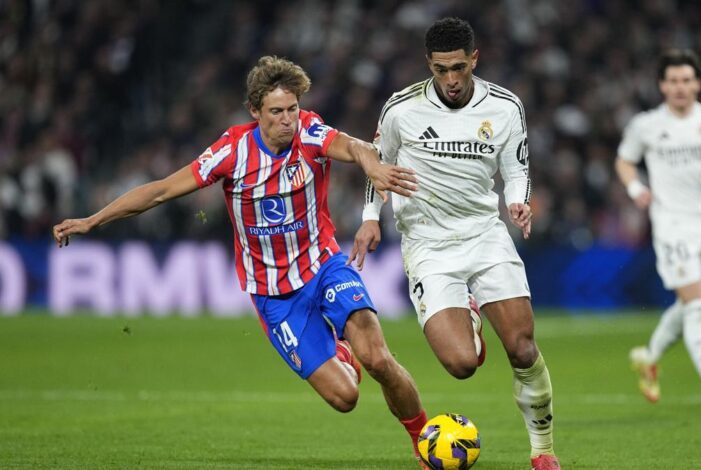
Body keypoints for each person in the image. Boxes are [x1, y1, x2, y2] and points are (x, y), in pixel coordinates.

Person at [52, 55, 432, 466]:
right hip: (274, 296)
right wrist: (93, 220)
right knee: (346, 398)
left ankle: (424, 439)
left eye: (292, 109)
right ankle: (338, 352)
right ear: (255, 111)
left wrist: (372, 165)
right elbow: (161, 191)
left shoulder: (309, 131)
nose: (288, 120)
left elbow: (354, 146)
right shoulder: (231, 151)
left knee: (376, 357)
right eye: (276, 112)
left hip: (324, 266)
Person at [349, 18, 561, 470]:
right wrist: (370, 219)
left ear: (474, 60)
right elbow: (377, 166)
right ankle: (469, 314)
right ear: (429, 63)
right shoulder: (401, 108)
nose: (450, 79)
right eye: (441, 69)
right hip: (428, 242)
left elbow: (517, 168)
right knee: (462, 364)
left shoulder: (505, 106)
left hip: (484, 233)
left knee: (523, 349)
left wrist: (517, 201)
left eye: (458, 68)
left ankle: (542, 449)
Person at [615, 49, 701, 415]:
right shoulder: (646, 125)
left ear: (698, 83)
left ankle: (650, 356)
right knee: (698, 307)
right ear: (662, 85)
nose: (680, 87)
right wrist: (636, 189)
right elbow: (624, 160)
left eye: (687, 80)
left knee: (691, 302)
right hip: (672, 224)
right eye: (673, 80)